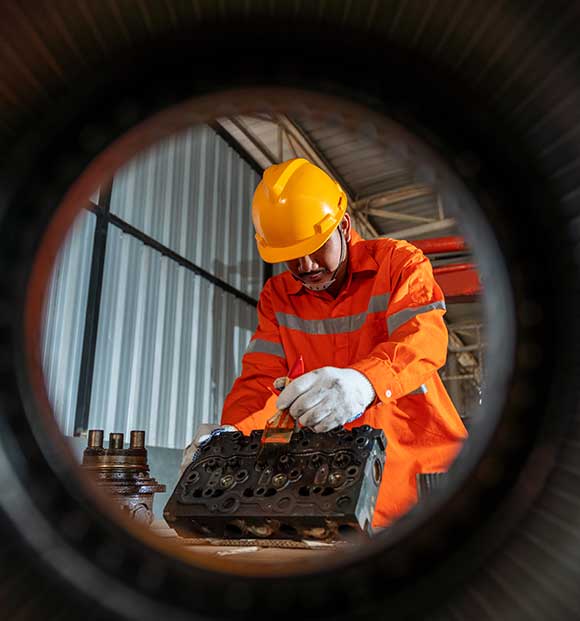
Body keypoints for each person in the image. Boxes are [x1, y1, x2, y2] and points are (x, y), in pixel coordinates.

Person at [200, 158, 467, 527]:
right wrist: (228, 436)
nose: (306, 265)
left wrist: (366, 382)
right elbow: (260, 383)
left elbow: (423, 339)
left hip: (424, 485)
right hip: (336, 491)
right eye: (290, 256)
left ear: (343, 225)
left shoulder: (398, 264)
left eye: (315, 247)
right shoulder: (278, 297)